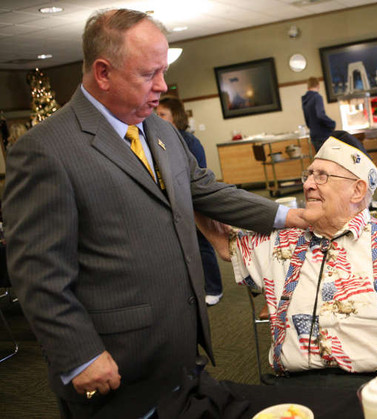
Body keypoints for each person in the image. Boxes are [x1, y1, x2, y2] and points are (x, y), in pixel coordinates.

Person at [1, 9, 305, 418]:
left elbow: (205, 188)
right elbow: (37, 271)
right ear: (103, 73)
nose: (162, 86)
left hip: (178, 347)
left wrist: (289, 216)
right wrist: (79, 355)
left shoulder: (158, 129)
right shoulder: (45, 149)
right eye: (149, 74)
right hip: (114, 361)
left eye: (163, 71)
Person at [204, 137, 377, 390]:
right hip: (295, 388)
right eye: (307, 175)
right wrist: (183, 183)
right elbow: (226, 243)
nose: (308, 184)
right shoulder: (283, 241)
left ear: (357, 190)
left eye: (321, 176)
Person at [156, 96, 223, 306]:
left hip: (192, 204)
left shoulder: (190, 142)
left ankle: (214, 288)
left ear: (175, 116)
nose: (157, 119)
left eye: (162, 115)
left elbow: (199, 177)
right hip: (171, 204)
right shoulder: (158, 139)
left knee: (203, 245)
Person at [302, 77, 336, 152]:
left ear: (308, 86)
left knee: (322, 160)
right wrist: (332, 124)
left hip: (314, 135)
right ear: (318, 85)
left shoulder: (305, 100)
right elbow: (320, 114)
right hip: (323, 135)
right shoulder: (317, 97)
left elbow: (307, 120)